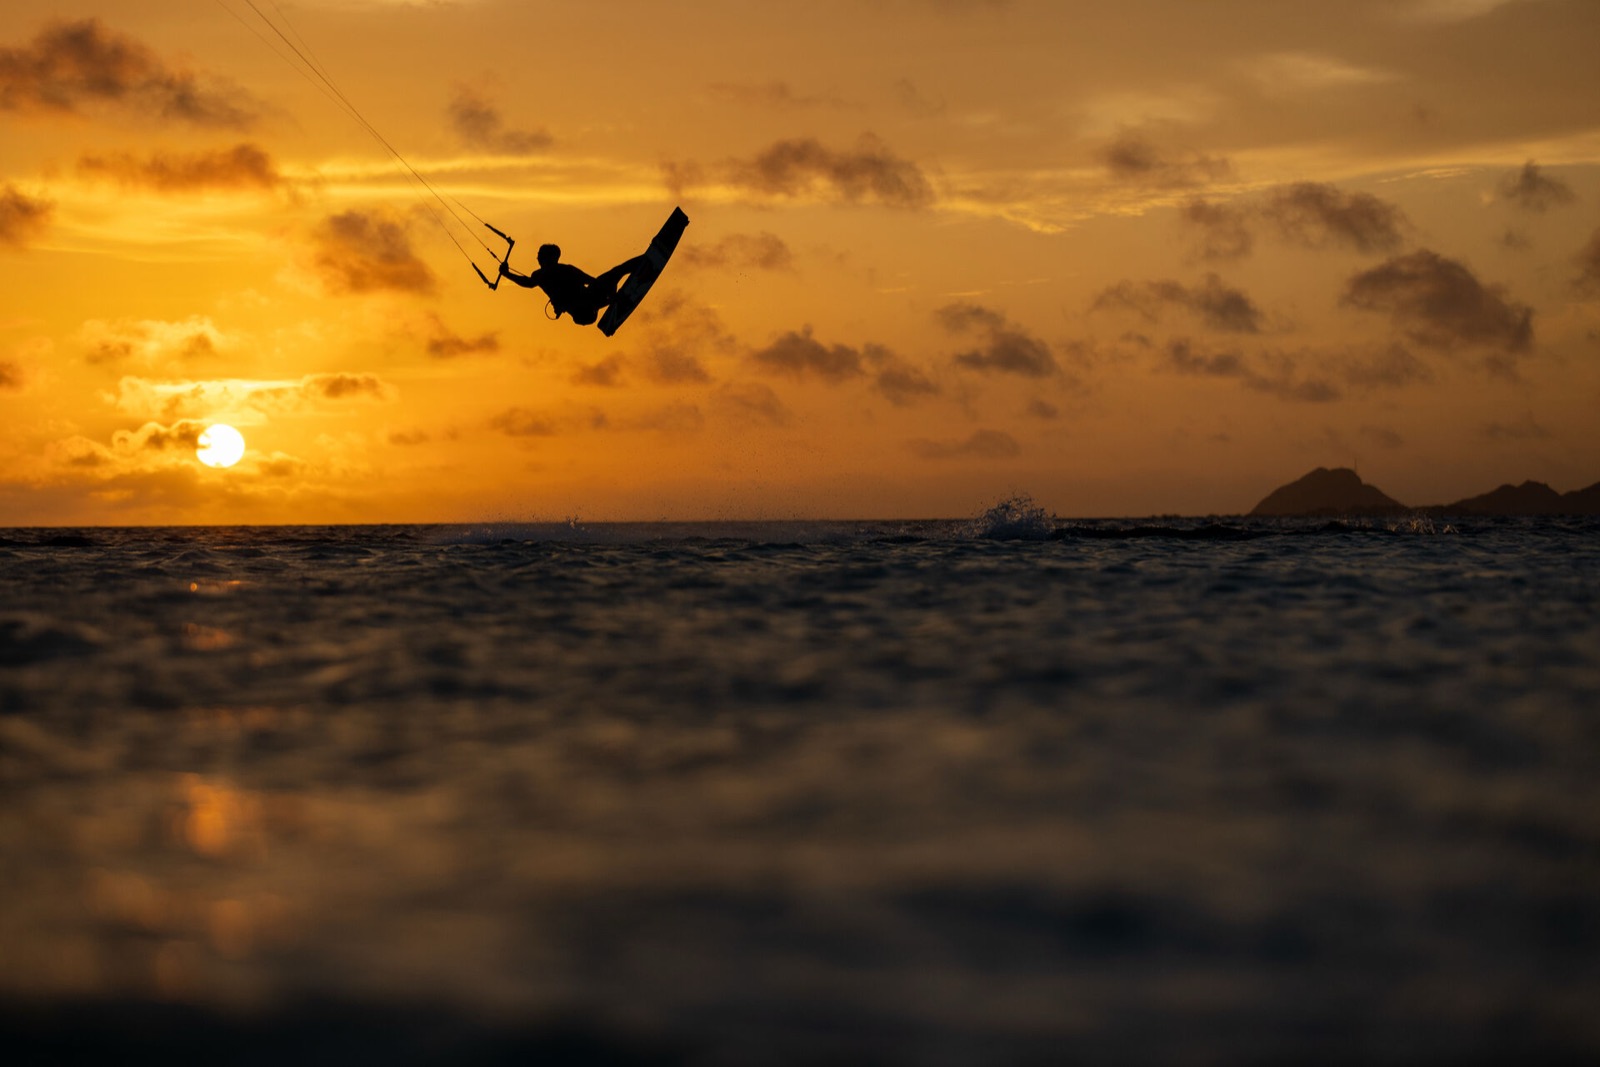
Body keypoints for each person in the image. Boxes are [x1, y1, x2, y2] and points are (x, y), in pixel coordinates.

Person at [498, 244, 646, 326]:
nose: (537, 257)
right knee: (616, 272)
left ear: (548, 257)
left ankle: (611, 299)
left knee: (611, 277)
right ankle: (643, 261)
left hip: (582, 315)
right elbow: (592, 281)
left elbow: (527, 283)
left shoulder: (541, 275)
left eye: (540, 255)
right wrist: (610, 290)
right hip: (586, 308)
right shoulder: (563, 270)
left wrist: (507, 274)